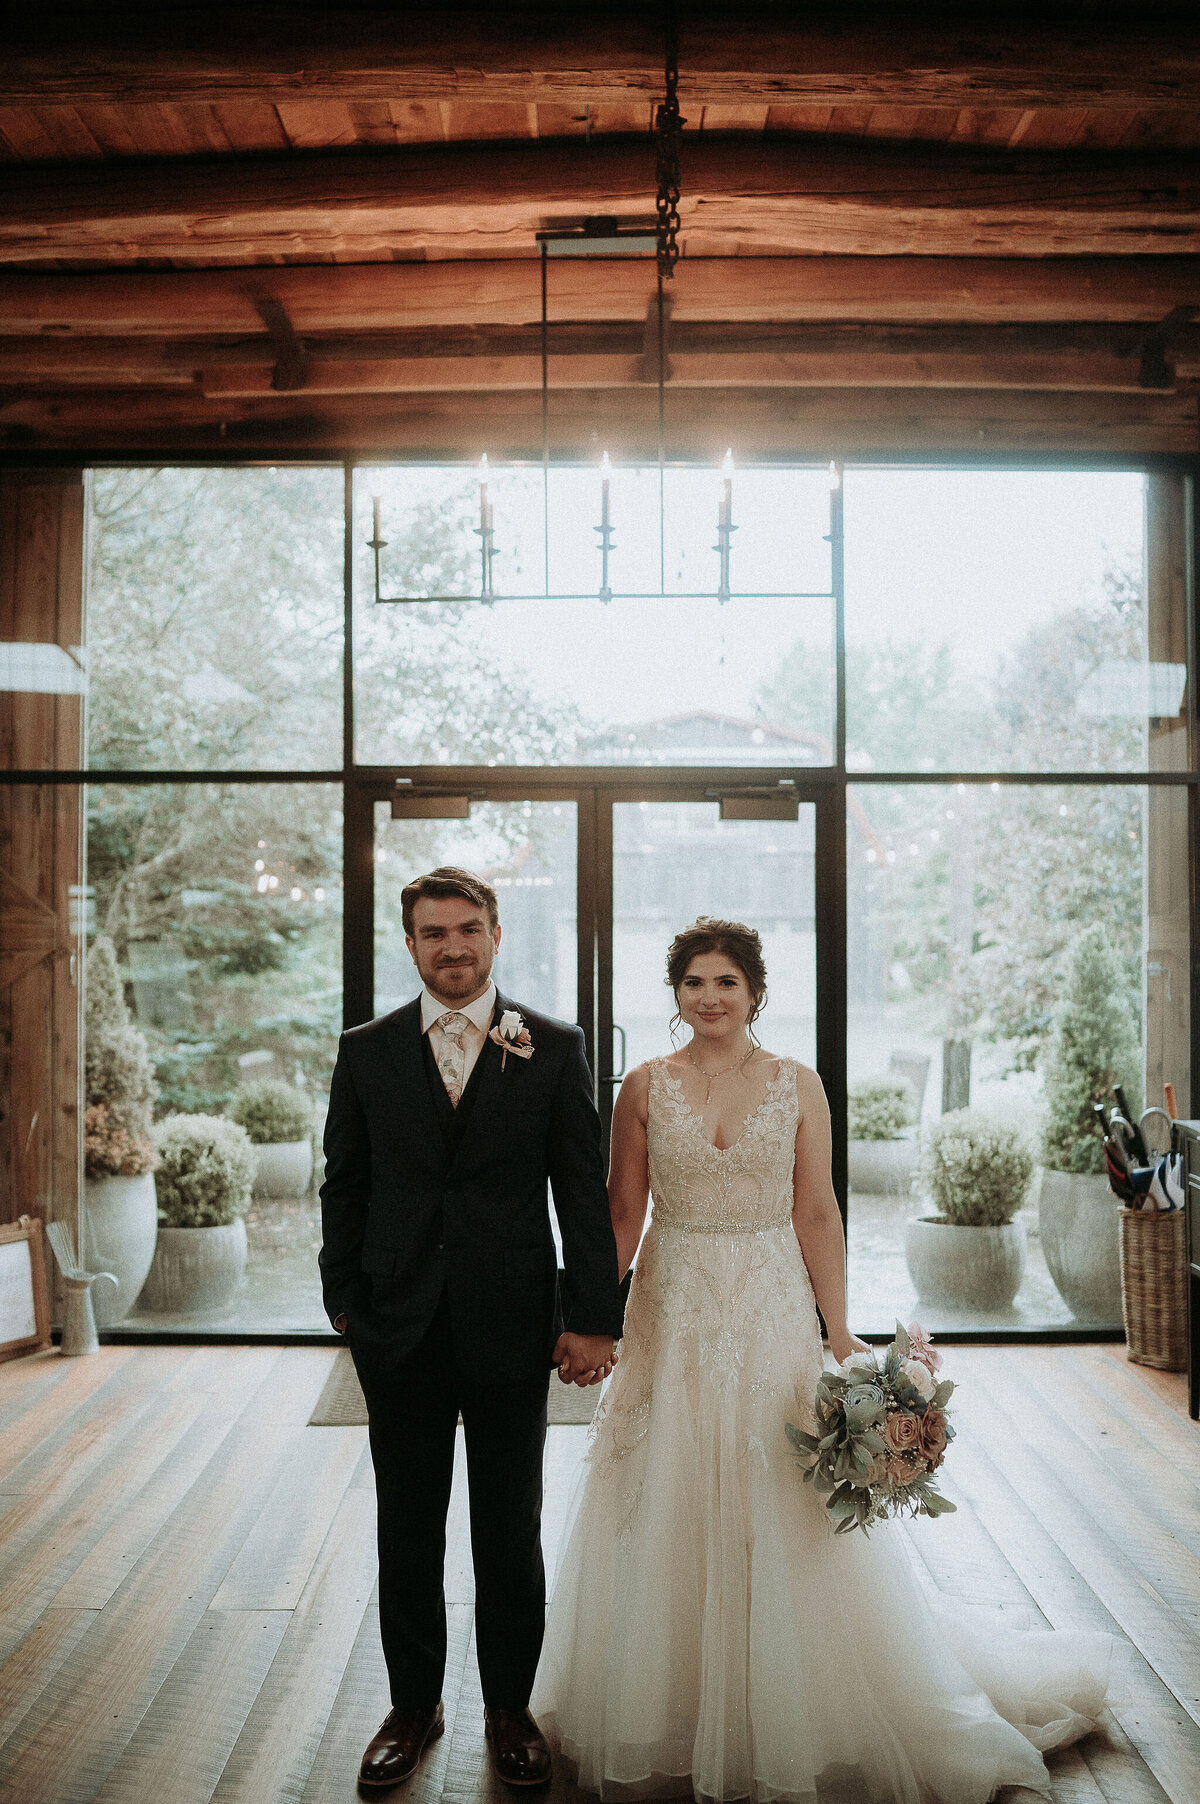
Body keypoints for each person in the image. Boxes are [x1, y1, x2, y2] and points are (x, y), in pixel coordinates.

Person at [531, 917, 1112, 1804]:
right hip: (675, 1303)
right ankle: (672, 1708)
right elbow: (622, 1213)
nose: (711, 997)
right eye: (694, 983)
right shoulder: (644, 1087)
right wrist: (590, 1320)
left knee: (781, 1489)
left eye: (727, 981)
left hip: (768, 1304)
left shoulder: (799, 1086)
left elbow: (817, 1215)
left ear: (756, 991)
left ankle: (795, 1710)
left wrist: (839, 1334)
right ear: (676, 995)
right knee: (665, 1488)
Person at [319, 866, 624, 1790]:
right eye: (432, 932)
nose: (452, 947)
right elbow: (345, 1182)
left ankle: (508, 1707)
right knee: (405, 1524)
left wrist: (591, 1320)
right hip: (396, 1323)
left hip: (510, 1323)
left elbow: (582, 1194)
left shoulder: (554, 1047)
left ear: (496, 934)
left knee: (507, 1524)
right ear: (408, 944)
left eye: (468, 929)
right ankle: (413, 1707)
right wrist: (345, 1303)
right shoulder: (365, 1049)